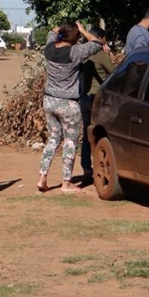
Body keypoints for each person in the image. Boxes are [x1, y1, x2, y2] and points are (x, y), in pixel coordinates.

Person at [38, 21, 103, 194]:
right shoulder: (75, 52)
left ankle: (42, 178)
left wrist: (65, 28)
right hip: (68, 103)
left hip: (49, 101)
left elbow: (52, 31)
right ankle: (66, 183)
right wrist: (82, 29)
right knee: (70, 143)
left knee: (52, 139)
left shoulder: (49, 47)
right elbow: (98, 43)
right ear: (75, 36)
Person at [78, 27, 115, 185]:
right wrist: (110, 56)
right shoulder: (100, 55)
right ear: (100, 38)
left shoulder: (82, 54)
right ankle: (102, 169)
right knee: (101, 136)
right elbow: (114, 74)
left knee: (87, 135)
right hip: (96, 99)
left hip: (83, 99)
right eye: (104, 39)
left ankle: (86, 169)